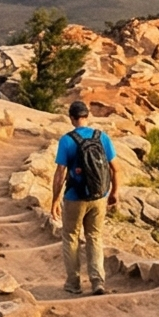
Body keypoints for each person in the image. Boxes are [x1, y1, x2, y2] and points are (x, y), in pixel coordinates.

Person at [50, 100, 118, 295]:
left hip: (74, 197)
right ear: (88, 116)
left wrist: (55, 200)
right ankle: (98, 281)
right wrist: (114, 192)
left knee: (71, 237)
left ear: (72, 118)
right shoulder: (102, 137)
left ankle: (73, 283)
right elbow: (116, 168)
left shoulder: (67, 140)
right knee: (94, 237)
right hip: (99, 196)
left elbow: (60, 173)